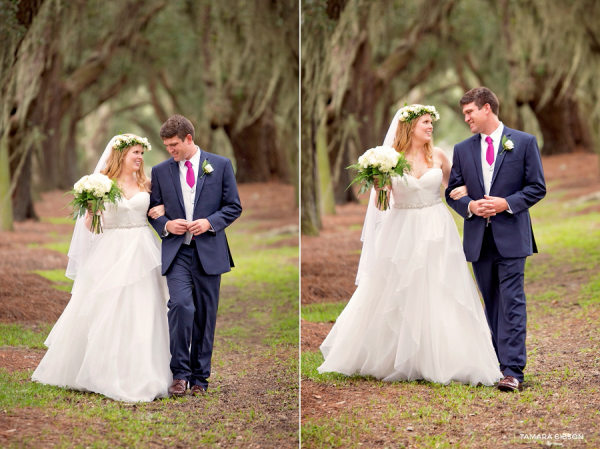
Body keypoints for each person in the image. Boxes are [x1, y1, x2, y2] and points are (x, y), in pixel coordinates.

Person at [318, 104, 503, 386]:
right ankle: (396, 355)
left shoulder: (439, 155)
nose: (430, 127)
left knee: (439, 285)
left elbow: (457, 185)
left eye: (431, 123)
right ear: (409, 126)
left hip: (436, 226)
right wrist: (380, 186)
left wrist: (466, 190)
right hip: (401, 227)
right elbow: (381, 203)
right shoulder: (390, 159)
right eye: (425, 123)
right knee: (398, 286)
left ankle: (444, 355)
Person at [32, 134, 172, 402]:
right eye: (135, 153)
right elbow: (89, 226)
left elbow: (159, 210)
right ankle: (100, 369)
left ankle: (148, 370)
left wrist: (162, 206)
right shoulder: (102, 184)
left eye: (142, 153)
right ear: (121, 155)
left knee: (146, 306)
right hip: (112, 249)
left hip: (143, 248)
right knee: (107, 307)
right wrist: (92, 211)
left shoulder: (148, 183)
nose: (140, 158)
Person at [445, 87, 546, 392]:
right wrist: (470, 206)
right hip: (479, 239)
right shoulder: (462, 150)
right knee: (490, 303)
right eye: (464, 114)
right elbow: (453, 192)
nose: (467, 119)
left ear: (486, 108)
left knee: (512, 302)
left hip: (512, 236)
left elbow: (536, 187)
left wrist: (505, 203)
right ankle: (497, 365)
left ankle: (514, 371)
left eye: (469, 112)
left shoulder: (524, 142)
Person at [147, 115, 242, 396]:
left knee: (205, 315)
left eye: (174, 144)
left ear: (189, 139)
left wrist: (209, 222)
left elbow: (233, 206)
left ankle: (200, 378)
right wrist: (166, 225)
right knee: (180, 306)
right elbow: (152, 211)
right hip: (177, 252)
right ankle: (179, 374)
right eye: (166, 145)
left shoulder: (221, 165)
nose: (170, 150)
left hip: (209, 252)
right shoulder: (161, 171)